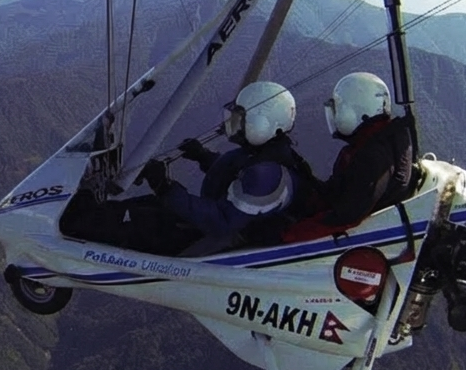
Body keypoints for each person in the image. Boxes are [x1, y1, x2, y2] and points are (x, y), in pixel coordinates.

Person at [135, 80, 312, 254]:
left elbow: (221, 222)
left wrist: (164, 188)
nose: (235, 125)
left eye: (241, 120)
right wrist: (203, 156)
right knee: (143, 212)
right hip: (223, 225)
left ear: (262, 124)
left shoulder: (267, 175)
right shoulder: (260, 154)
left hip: (233, 240)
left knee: (160, 244)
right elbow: (238, 174)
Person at [280, 72, 416, 242]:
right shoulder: (380, 141)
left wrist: (286, 234)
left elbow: (346, 215)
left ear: (358, 111)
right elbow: (341, 192)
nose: (335, 116)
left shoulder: (372, 157)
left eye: (338, 109)